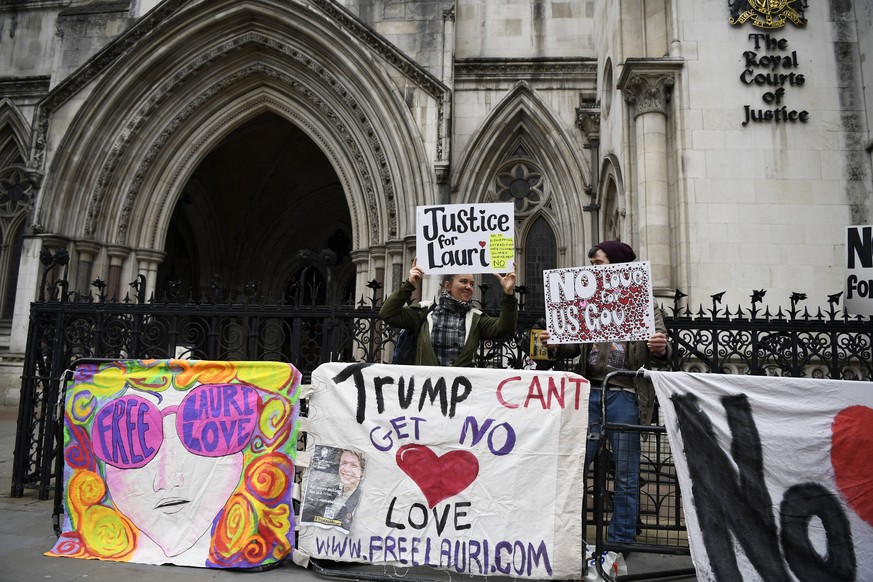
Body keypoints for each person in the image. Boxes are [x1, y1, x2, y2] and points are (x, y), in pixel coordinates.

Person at [541, 240, 669, 546]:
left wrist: (661, 348)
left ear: (617, 265)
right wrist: (556, 343)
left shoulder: (646, 306)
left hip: (625, 395)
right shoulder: (587, 301)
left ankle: (620, 541)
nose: (593, 268)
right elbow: (574, 345)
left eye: (598, 263)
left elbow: (663, 348)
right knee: (576, 466)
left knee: (626, 473)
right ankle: (569, 537)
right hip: (591, 392)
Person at [379, 258, 518, 367]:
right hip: (426, 392)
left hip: (461, 393)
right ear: (448, 285)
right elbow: (387, 314)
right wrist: (409, 285)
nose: (468, 287)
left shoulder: (475, 318)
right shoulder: (424, 312)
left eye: (472, 284)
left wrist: (508, 294)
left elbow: (505, 328)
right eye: (463, 281)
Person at [301, 447, 365, 532]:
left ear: (362, 472)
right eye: (344, 463)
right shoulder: (328, 492)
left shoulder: (362, 499)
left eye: (354, 465)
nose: (346, 469)